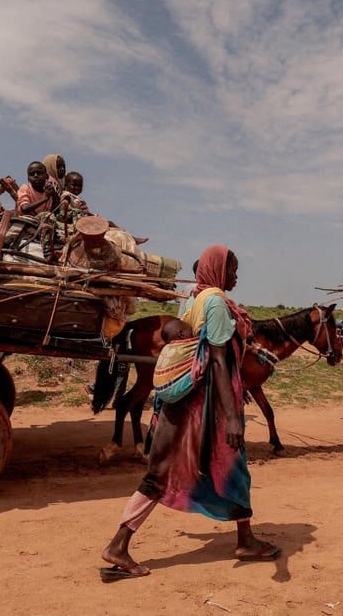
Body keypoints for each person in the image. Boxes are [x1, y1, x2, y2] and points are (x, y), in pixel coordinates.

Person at [100, 245, 280, 581]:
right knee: (170, 474)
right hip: (205, 407)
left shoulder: (196, 299)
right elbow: (217, 360)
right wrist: (230, 416)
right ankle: (119, 545)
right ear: (217, 270)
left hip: (193, 404)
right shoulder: (213, 303)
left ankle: (245, 539)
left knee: (224, 470)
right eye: (233, 269)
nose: (236, 276)